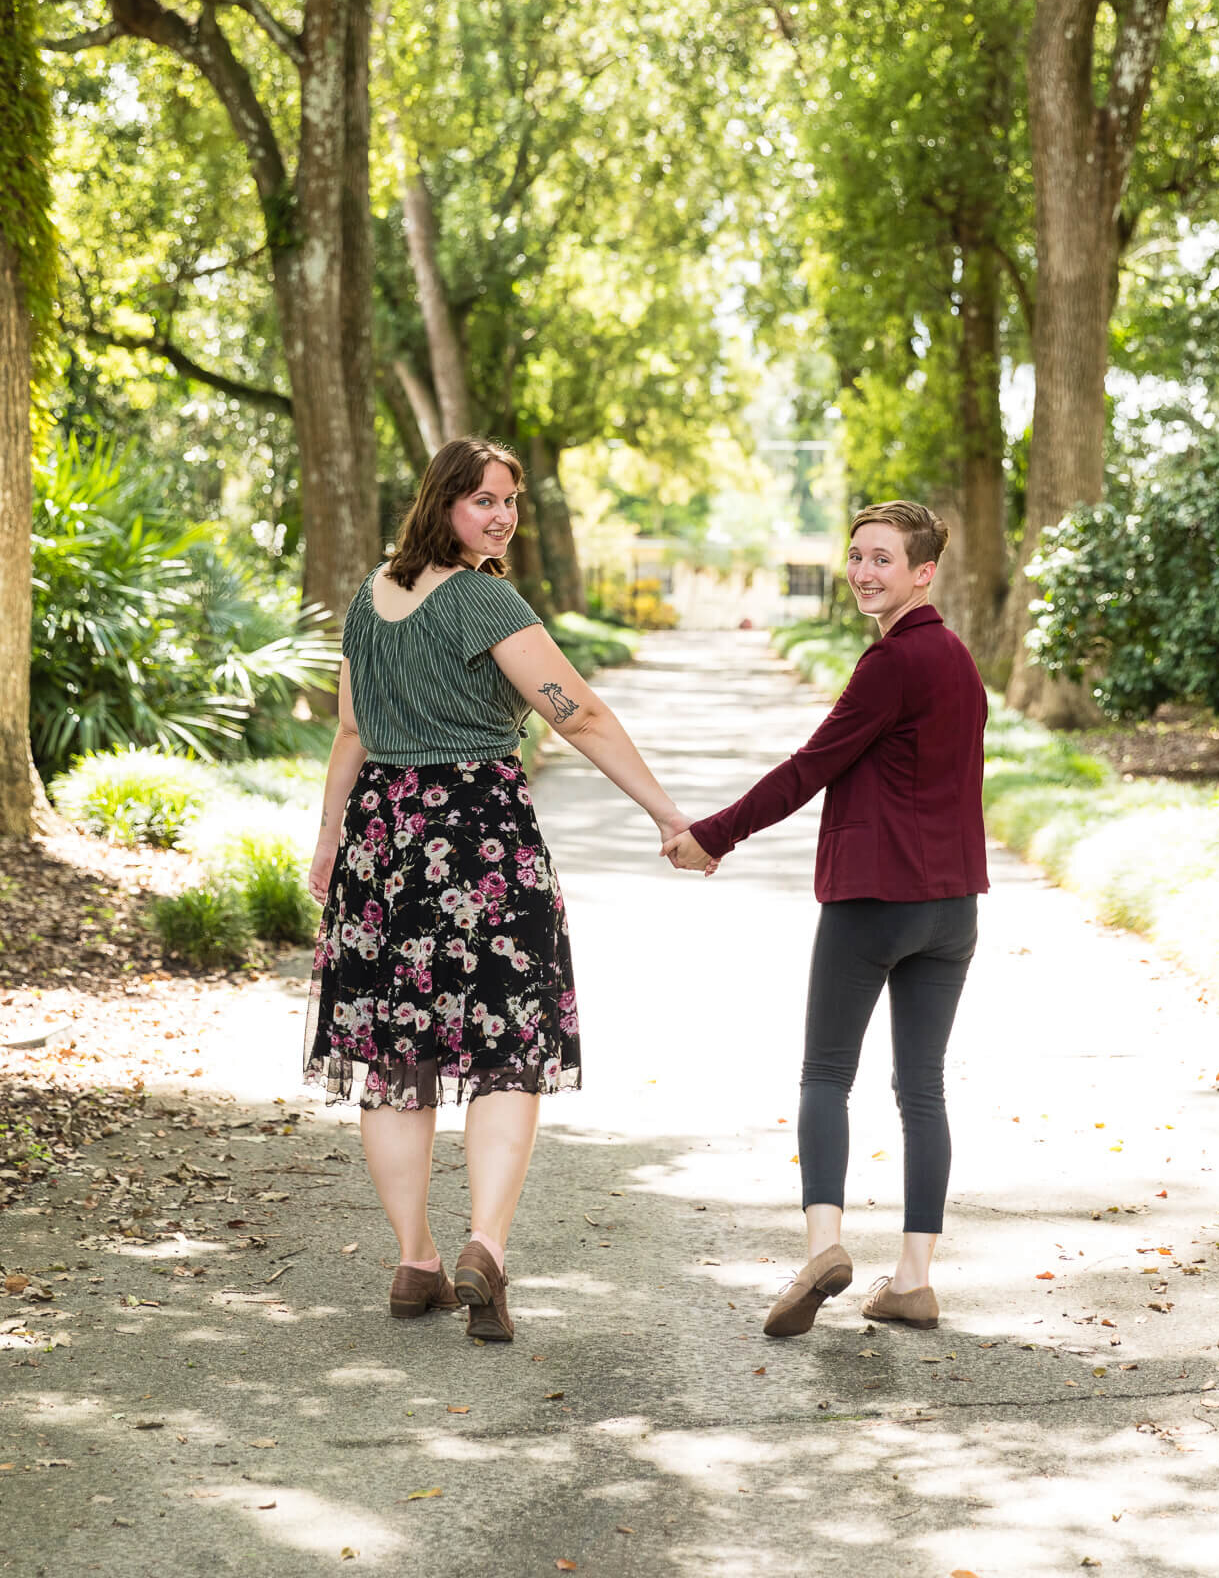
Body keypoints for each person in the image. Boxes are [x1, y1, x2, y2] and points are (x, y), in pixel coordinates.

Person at [304, 436, 689, 1339]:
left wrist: (330, 840)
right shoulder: (483, 601)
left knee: (397, 1056)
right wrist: (668, 815)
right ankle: (484, 1245)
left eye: (509, 500)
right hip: (479, 840)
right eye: (483, 499)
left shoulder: (370, 597)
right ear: (441, 503)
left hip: (382, 845)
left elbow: (352, 732)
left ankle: (415, 1262)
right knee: (506, 1042)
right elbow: (579, 713)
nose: (501, 514)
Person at [665, 501, 987, 1337]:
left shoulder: (892, 664)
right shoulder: (958, 660)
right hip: (951, 908)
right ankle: (912, 1279)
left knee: (825, 1076)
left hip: (874, 900)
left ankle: (823, 1246)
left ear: (924, 572)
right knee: (921, 1087)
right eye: (854, 556)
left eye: (882, 559)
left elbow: (809, 767)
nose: (862, 572)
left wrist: (712, 836)